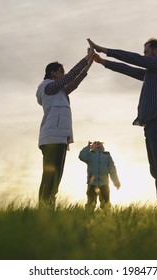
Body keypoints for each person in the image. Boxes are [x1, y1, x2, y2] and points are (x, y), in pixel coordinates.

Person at [88, 38, 157, 206]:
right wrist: (102, 62)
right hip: (151, 126)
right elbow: (127, 68)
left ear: (156, 51)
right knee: (156, 171)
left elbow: (134, 59)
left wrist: (104, 49)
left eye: (146, 52)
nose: (144, 56)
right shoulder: (150, 73)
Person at [36, 45, 95, 207]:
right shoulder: (47, 87)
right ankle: (43, 208)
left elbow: (75, 82)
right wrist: (87, 56)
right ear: (52, 72)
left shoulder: (59, 91)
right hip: (51, 138)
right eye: (61, 71)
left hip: (60, 138)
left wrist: (90, 61)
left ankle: (49, 207)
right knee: (50, 176)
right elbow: (70, 76)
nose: (63, 74)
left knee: (56, 176)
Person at [79, 141, 121, 210]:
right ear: (92, 146)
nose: (98, 143)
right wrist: (87, 147)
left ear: (103, 146)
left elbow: (112, 170)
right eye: (95, 143)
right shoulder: (89, 155)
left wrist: (116, 182)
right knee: (90, 203)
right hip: (92, 183)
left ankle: (106, 218)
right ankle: (88, 217)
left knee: (106, 204)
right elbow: (81, 156)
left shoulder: (107, 156)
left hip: (104, 184)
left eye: (99, 143)